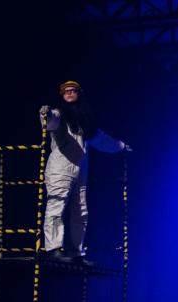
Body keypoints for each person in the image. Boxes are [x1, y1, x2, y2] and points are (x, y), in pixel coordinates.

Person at [39, 80, 131, 264]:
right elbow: (50, 120)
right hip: (61, 168)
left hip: (80, 170)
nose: (70, 93)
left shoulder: (84, 123)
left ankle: (76, 252)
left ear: (79, 94)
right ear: (62, 96)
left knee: (80, 211)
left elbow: (101, 140)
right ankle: (53, 249)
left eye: (73, 90)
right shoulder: (60, 115)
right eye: (66, 91)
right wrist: (45, 113)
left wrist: (121, 146)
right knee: (56, 205)